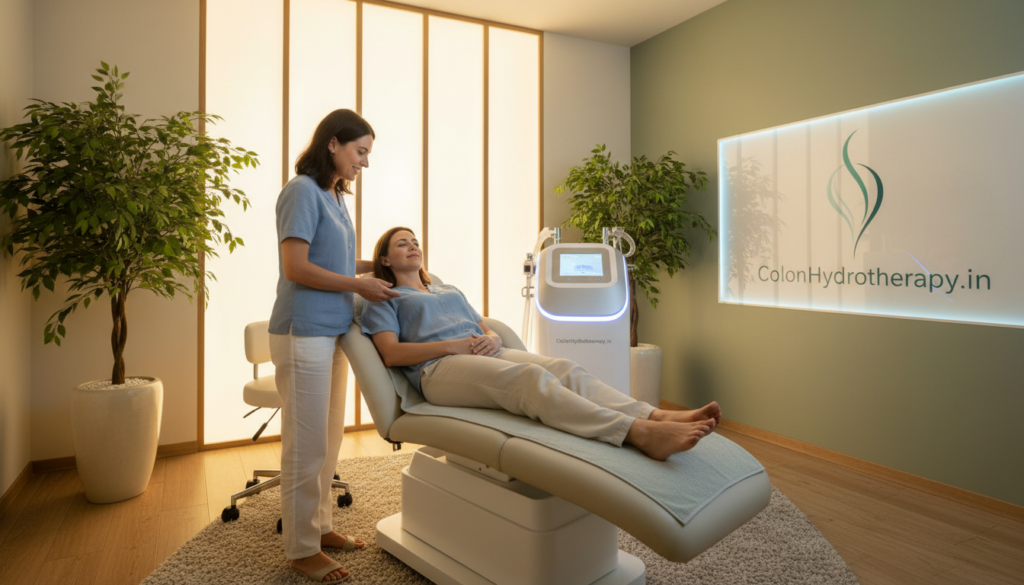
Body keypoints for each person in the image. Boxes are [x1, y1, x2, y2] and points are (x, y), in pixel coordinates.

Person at [361, 227, 722, 462]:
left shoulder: (446, 288)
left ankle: (653, 414)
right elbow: (391, 354)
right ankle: (635, 433)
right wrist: (452, 347)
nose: (413, 246)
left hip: (484, 352)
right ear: (385, 260)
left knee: (563, 367)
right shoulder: (385, 297)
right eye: (402, 244)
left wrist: (492, 337)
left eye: (415, 241)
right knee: (529, 380)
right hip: (437, 371)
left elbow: (482, 325)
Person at [269, 109, 400, 584]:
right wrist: (359, 284)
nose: (364, 162)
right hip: (302, 330)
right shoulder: (301, 191)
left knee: (328, 440)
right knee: (305, 446)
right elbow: (296, 268)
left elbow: (340, 261)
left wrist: (387, 264)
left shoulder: (333, 196)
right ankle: (300, 548)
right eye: (359, 151)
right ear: (333, 144)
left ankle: (320, 527)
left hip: (333, 330)